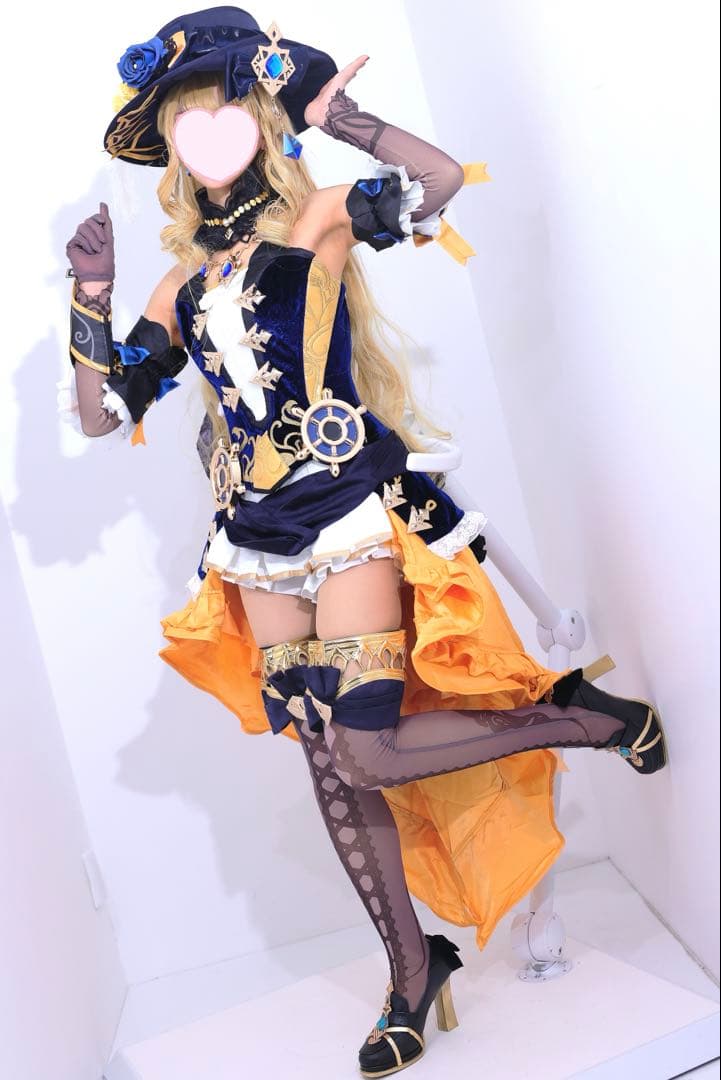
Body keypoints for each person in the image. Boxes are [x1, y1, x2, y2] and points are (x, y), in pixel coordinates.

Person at [63, 9, 667, 1076]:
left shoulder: (321, 218)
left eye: (218, 111)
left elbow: (439, 182)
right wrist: (91, 298)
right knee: (330, 763)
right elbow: (104, 414)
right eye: (181, 122)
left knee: (367, 747)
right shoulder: (176, 284)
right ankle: (409, 970)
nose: (202, 135)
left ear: (258, 119)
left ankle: (581, 715)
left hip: (345, 510)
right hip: (254, 540)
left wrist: (347, 120)